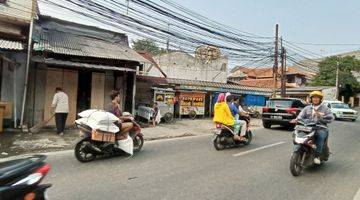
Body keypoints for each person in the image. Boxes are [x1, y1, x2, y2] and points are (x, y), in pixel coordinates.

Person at [290, 91, 334, 164]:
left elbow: (331, 118)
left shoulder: (325, 109)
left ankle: (317, 155)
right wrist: (296, 119)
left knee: (320, 136)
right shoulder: (307, 108)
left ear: (320, 99)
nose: (315, 99)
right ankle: (299, 149)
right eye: (314, 98)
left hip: (320, 128)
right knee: (295, 134)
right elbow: (300, 116)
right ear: (311, 99)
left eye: (317, 98)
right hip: (307, 127)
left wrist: (321, 117)